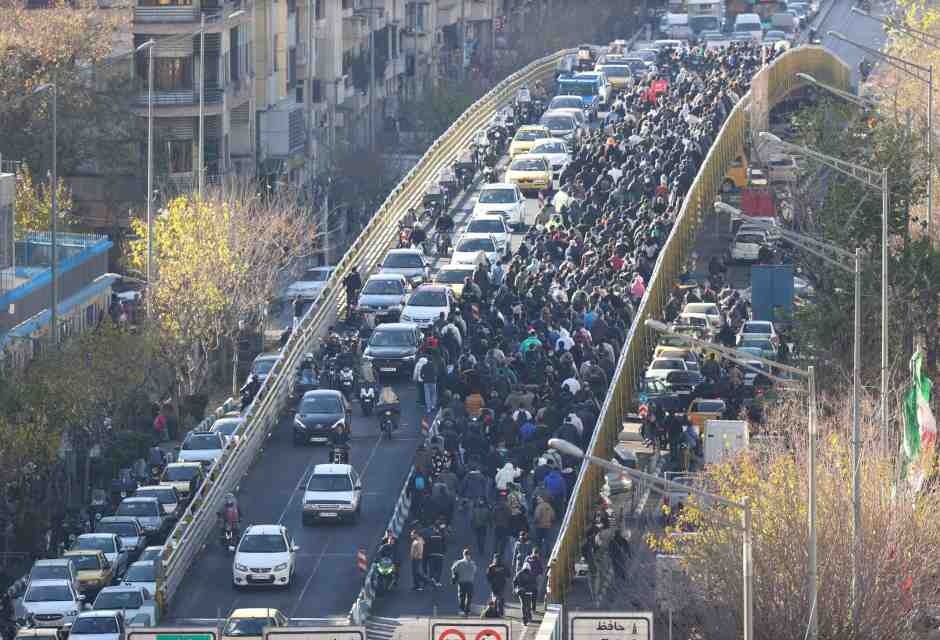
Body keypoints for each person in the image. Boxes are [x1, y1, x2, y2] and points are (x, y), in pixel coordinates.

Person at [451, 548, 478, 617]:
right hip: (467, 582)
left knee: (463, 597)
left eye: (467, 555)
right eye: (467, 555)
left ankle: (463, 610)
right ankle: (466, 610)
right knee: (467, 597)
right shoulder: (471, 563)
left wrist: (455, 576)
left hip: (464, 582)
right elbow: (475, 571)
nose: (467, 556)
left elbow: (453, 569)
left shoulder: (459, 562)